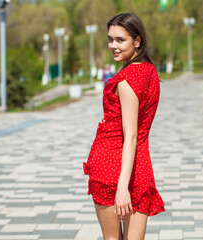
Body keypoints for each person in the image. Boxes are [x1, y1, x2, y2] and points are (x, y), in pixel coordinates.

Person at [83, 13, 165, 240]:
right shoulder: (150, 71)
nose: (113, 46)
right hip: (138, 165)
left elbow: (130, 136)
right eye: (110, 39)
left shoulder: (128, 79)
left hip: (113, 168)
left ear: (137, 41)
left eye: (120, 40)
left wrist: (121, 187)